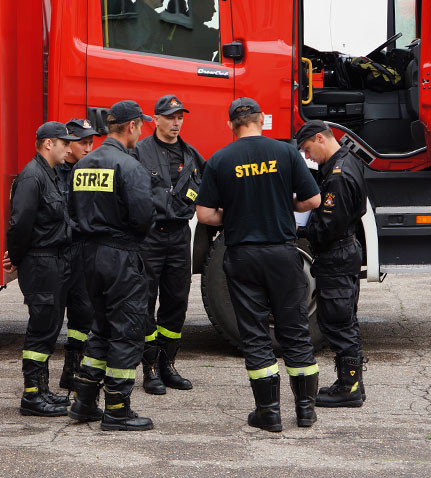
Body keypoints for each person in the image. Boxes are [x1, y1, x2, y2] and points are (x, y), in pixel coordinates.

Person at [195, 98, 322, 432]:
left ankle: (269, 413)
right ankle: (306, 410)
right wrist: (284, 204)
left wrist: (233, 215)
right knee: (295, 332)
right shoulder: (286, 153)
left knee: (255, 335)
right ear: (262, 120)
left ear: (231, 126)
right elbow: (313, 200)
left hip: (242, 256)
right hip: (282, 254)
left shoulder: (220, 160)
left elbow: (205, 214)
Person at [67, 100, 156, 431]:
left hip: (89, 257)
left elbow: (72, 212)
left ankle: (85, 401)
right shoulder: (129, 167)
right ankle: (117, 409)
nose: (141, 131)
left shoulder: (82, 165)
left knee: (101, 328)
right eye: (141, 125)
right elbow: (143, 218)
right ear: (131, 126)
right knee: (128, 331)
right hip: (121, 256)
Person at [5, 121, 78, 417]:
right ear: (48, 144)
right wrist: (19, 259)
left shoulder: (50, 175)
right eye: (64, 143)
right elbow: (20, 224)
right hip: (41, 262)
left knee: (49, 328)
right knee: (41, 329)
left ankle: (43, 389)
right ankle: (32, 395)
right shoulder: (32, 177)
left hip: (54, 261)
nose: (68, 148)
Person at [132, 95, 204, 395]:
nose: (176, 122)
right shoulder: (139, 152)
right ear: (156, 119)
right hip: (149, 236)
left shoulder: (191, 154)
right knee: (145, 302)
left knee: (176, 302)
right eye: (170, 117)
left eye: (180, 117)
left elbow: (205, 188)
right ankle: (149, 368)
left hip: (178, 235)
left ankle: (167, 364)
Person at [295, 120, 368, 408]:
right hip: (344, 253)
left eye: (308, 149)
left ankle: (349, 388)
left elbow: (328, 225)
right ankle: (351, 384)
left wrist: (300, 231)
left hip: (336, 256)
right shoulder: (346, 161)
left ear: (320, 139)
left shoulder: (337, 175)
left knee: (337, 322)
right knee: (344, 319)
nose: (308, 156)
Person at [54, 119, 100, 391]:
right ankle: (39, 383)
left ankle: (72, 370)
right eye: (83, 142)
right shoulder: (53, 172)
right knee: (50, 318)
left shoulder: (89, 170)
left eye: (91, 141)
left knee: (83, 314)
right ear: (67, 142)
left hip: (82, 253)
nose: (88, 147)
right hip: (58, 253)